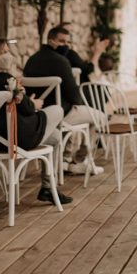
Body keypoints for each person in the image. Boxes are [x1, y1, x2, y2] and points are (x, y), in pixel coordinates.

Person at [0, 37, 72, 204]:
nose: (8, 56)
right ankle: (49, 185)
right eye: (3, 53)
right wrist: (35, 103)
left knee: (55, 137)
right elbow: (28, 109)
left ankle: (48, 188)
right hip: (17, 139)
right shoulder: (5, 80)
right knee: (57, 110)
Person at [24, 26, 104, 175]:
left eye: (67, 42)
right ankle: (79, 161)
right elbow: (75, 97)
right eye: (61, 41)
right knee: (100, 117)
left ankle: (65, 160)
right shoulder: (60, 61)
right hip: (60, 114)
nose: (65, 45)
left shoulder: (32, 60)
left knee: (76, 115)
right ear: (51, 40)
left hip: (39, 115)